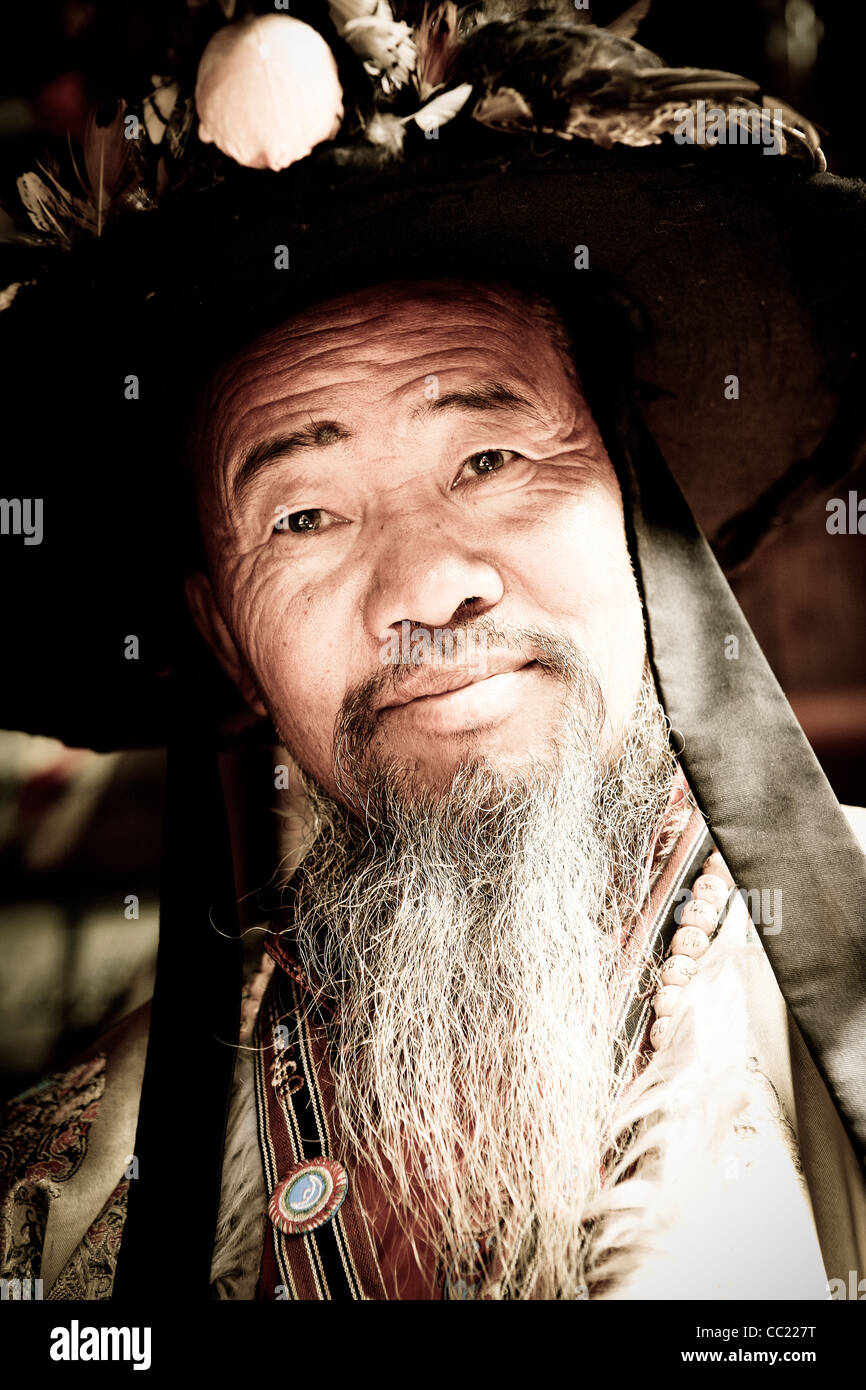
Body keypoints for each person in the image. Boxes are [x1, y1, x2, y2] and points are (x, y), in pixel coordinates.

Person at [1, 3, 865, 1303]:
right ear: (222, 634)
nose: (429, 584)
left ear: (639, 515)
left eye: (493, 458)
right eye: (302, 515)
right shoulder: (57, 1216)